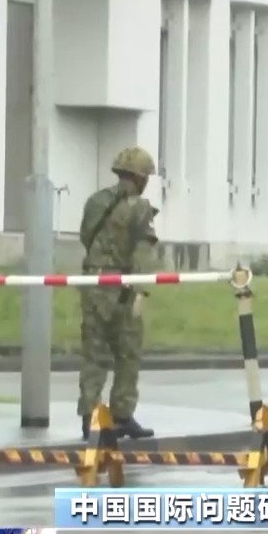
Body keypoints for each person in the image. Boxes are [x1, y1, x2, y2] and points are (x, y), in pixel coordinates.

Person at [77, 147, 161, 440]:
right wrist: (141, 290)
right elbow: (143, 251)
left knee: (94, 352)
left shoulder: (95, 201)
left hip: (91, 281)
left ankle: (90, 417)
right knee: (127, 352)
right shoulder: (140, 207)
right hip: (123, 285)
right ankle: (122, 415)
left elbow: (86, 237)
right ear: (141, 178)